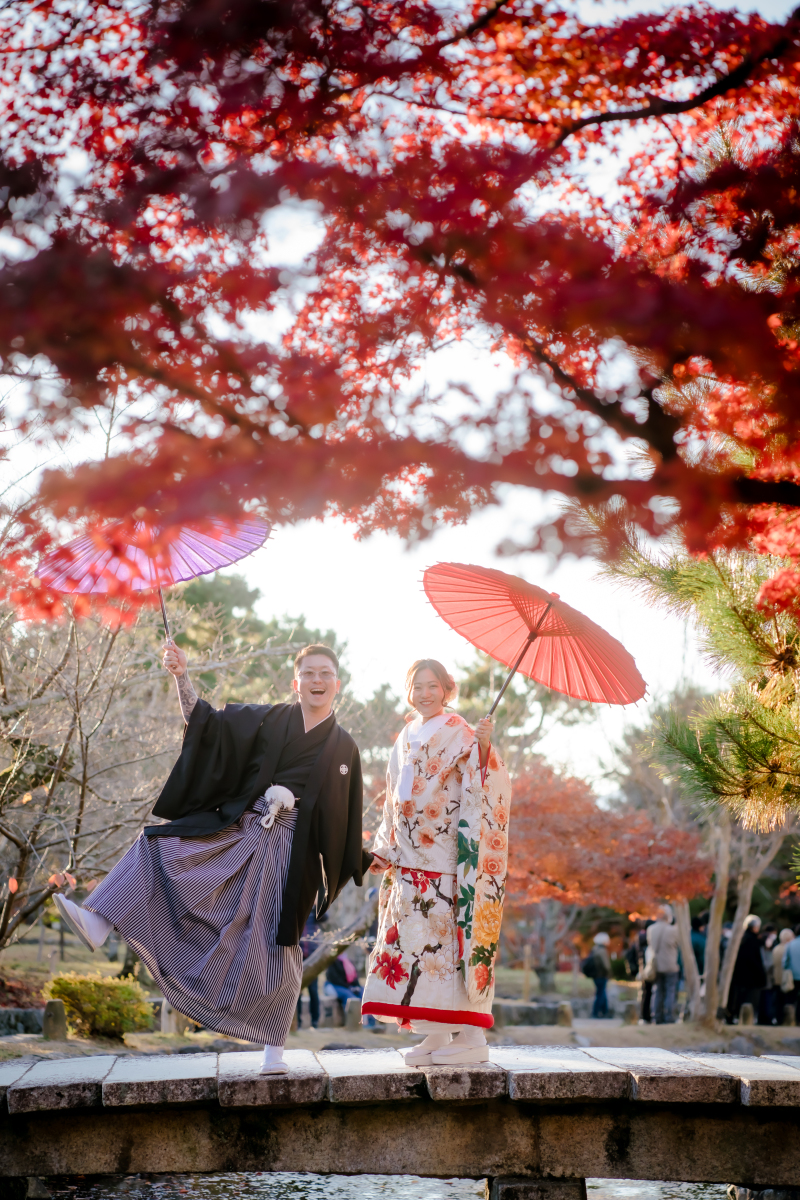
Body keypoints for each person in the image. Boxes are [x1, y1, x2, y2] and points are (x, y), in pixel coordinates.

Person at [53, 642, 370, 1076]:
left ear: (337, 683)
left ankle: (273, 1052)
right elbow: (206, 724)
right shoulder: (270, 719)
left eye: (325, 674)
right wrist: (181, 676)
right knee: (159, 844)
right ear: (295, 682)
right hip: (245, 826)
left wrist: (367, 858)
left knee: (278, 943)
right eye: (309, 674)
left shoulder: (345, 748)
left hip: (291, 852)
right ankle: (100, 921)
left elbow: (346, 819)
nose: (317, 681)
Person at [361, 659, 511, 1066]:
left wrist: (482, 747)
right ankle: (436, 1032)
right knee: (418, 948)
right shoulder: (406, 734)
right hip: (408, 861)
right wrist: (386, 848)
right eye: (417, 686)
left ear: (448, 689)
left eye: (433, 686)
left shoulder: (460, 731)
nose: (425, 693)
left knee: (447, 946)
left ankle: (473, 1035)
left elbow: (483, 783)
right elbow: (394, 797)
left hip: (444, 861)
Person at [729, 914, 766, 1023]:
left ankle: (737, 1016)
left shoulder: (741, 938)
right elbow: (755, 960)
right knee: (749, 998)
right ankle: (746, 1018)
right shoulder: (753, 940)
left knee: (739, 997)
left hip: (739, 975)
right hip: (752, 975)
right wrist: (761, 973)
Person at [647, 905, 679, 1024]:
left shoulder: (651, 929)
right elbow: (678, 943)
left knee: (658, 991)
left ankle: (656, 1016)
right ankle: (668, 1016)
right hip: (670, 964)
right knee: (670, 991)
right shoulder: (673, 930)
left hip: (656, 965)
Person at [297, 913, 322, 1030]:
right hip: (298, 957)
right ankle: (297, 1022)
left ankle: (315, 1022)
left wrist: (318, 903)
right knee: (297, 991)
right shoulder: (298, 912)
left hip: (312, 957)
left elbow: (325, 917)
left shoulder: (314, 913)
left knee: (313, 991)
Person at [589, 932, 611, 1017]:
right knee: (601, 994)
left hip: (596, 976)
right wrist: (609, 974)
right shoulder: (602, 950)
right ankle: (596, 1012)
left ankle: (604, 1012)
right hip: (601, 975)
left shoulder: (595, 949)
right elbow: (606, 965)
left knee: (601, 993)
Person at [783, 925, 800, 1023]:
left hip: (793, 976)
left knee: (791, 999)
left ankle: (790, 1019)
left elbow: (785, 962)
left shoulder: (790, 944)